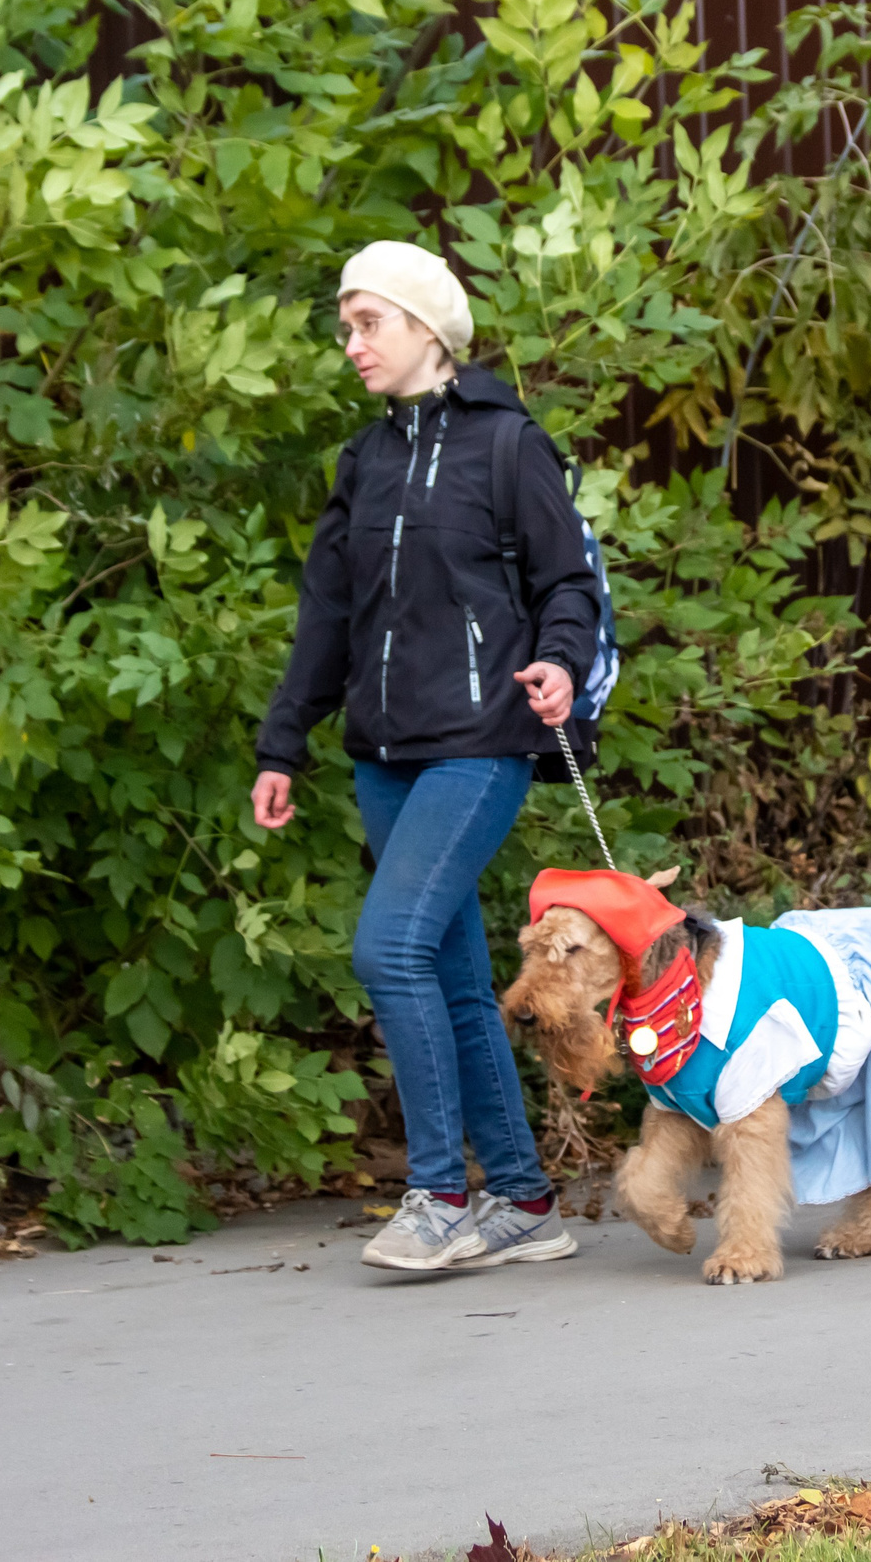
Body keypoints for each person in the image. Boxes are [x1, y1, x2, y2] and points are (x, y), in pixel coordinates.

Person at [251, 240, 601, 1273]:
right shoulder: (365, 459)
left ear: (426, 328)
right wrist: (284, 743)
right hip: (382, 752)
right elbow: (329, 613)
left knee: (388, 947)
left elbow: (568, 583)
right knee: (447, 971)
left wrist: (559, 662)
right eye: (346, 323)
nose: (349, 340)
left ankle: (440, 1193)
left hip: (480, 743)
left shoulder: (506, 446)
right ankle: (526, 1202)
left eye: (369, 322)